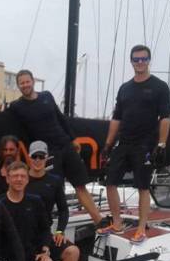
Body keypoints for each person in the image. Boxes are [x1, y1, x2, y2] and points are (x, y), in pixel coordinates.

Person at [8, 70, 103, 227]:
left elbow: (60, 118)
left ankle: (99, 221)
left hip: (66, 145)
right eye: (21, 83)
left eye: (27, 81)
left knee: (80, 185)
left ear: (33, 81)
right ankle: (45, 228)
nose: (25, 85)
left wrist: (73, 139)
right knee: (51, 191)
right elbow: (15, 131)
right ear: (18, 86)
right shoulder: (16, 106)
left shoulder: (47, 96)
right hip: (47, 153)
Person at [98, 44, 170, 243]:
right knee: (110, 182)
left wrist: (161, 145)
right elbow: (116, 118)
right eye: (136, 59)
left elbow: (165, 118)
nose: (140, 62)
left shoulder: (160, 87)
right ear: (131, 61)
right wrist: (107, 145)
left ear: (148, 60)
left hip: (145, 144)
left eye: (143, 59)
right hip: (124, 142)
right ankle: (117, 223)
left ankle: (141, 228)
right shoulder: (125, 88)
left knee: (142, 187)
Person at [0, 161, 69, 261]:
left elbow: (45, 229)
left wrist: (45, 251)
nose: (19, 179)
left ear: (27, 179)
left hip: (34, 256)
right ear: (7, 179)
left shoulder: (35, 201)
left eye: (23, 176)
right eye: (15, 176)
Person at [26, 141, 80, 261]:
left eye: (41, 156)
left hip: (45, 234)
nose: (38, 160)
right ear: (29, 157)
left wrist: (60, 231)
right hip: (25, 236)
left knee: (73, 252)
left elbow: (63, 209)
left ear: (47, 157)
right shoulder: (21, 180)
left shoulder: (54, 181)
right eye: (34, 156)